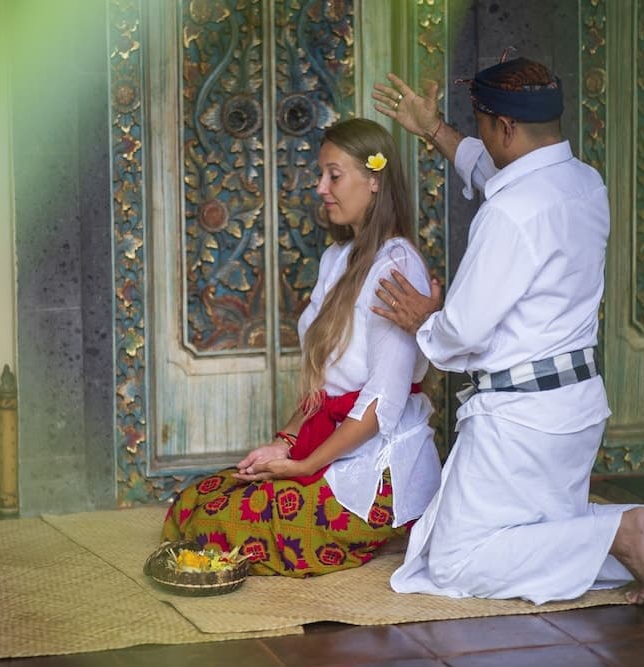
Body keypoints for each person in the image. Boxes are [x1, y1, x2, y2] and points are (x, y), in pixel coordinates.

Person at [369, 57, 644, 605]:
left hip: (518, 423)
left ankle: (619, 532)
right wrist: (433, 129)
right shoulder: (584, 183)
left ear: (505, 127)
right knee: (539, 532)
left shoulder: (510, 213)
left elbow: (463, 330)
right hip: (575, 409)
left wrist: (426, 322)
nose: (482, 138)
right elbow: (494, 173)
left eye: (483, 125)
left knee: (454, 561)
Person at [162, 118, 442, 577]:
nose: (320, 188)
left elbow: (382, 404)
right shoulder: (337, 259)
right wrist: (284, 443)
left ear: (374, 180)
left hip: (379, 469)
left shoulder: (396, 266)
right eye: (320, 175)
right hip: (328, 440)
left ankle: (394, 523)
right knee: (198, 500)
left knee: (217, 526)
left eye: (334, 175)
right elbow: (325, 383)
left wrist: (307, 464)